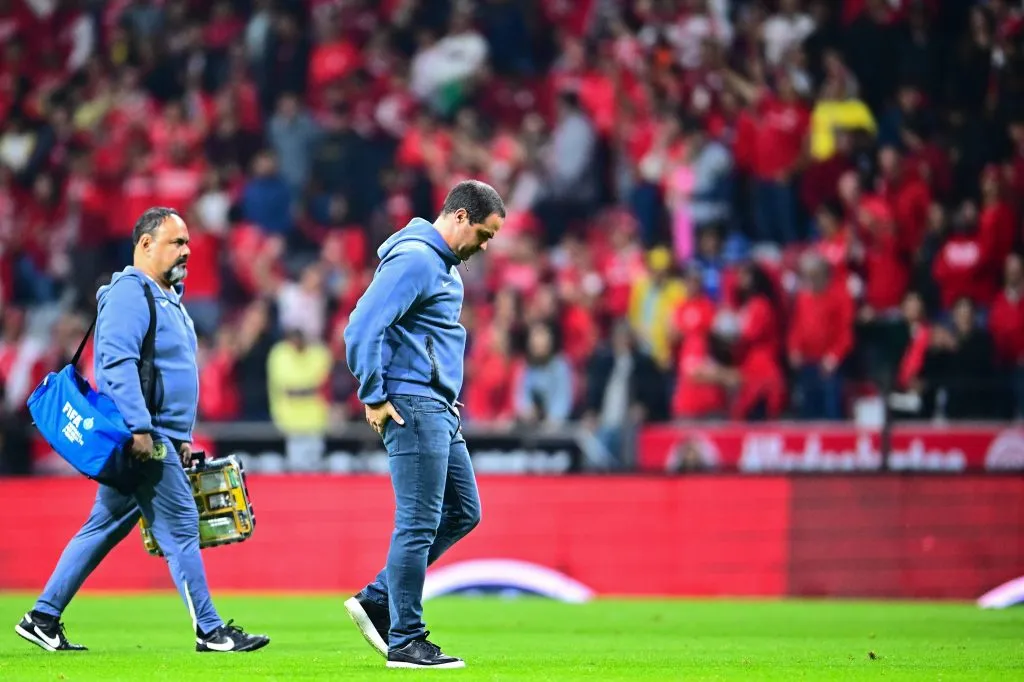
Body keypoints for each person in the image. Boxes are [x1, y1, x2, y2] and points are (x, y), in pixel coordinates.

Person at [15, 208, 269, 654]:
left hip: (162, 434)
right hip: (145, 438)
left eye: (188, 242)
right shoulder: (131, 293)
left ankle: (42, 617)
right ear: (146, 244)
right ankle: (209, 631)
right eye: (177, 242)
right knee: (183, 527)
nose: (187, 250)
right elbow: (116, 364)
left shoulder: (166, 296)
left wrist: (184, 436)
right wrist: (140, 428)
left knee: (102, 526)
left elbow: (173, 374)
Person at [343, 180, 505, 669]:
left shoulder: (439, 264)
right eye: (484, 233)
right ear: (459, 216)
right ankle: (406, 638)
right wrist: (372, 392)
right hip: (414, 404)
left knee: (463, 511)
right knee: (417, 523)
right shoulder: (416, 259)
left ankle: (378, 598)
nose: (485, 246)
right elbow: (361, 326)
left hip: (438, 404)